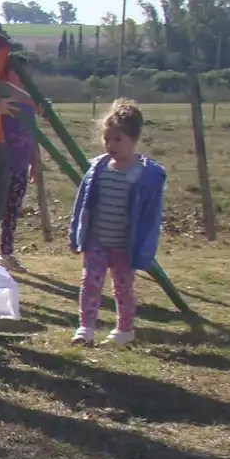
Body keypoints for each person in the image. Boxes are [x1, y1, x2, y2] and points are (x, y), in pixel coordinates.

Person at [68, 99, 166, 347]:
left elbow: (149, 217)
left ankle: (124, 330)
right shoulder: (97, 169)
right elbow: (82, 204)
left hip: (124, 246)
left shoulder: (145, 176)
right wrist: (76, 235)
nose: (110, 145)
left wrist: (143, 248)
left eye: (117, 140)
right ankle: (85, 328)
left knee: (122, 289)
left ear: (133, 139)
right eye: (107, 139)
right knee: (90, 283)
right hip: (97, 241)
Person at [0, 54, 41, 267]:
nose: (20, 79)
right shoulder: (0, 100)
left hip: (20, 164)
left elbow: (32, 134)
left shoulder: (28, 104)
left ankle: (6, 253)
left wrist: (35, 161)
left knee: (12, 210)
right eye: (17, 72)